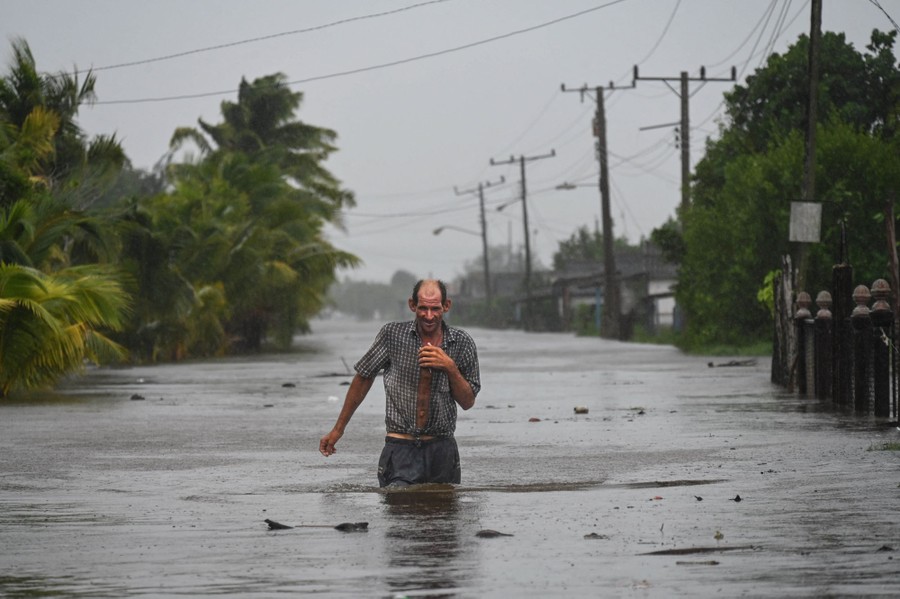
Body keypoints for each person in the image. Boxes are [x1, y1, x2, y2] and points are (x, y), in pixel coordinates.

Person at [319, 279, 481, 487]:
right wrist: (338, 430)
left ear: (446, 306)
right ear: (412, 305)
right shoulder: (392, 335)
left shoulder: (462, 342)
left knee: (443, 515)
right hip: (400, 447)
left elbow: (468, 402)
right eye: (423, 308)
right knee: (399, 512)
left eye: (435, 309)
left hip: (442, 449)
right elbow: (363, 377)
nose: (429, 316)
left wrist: (449, 367)